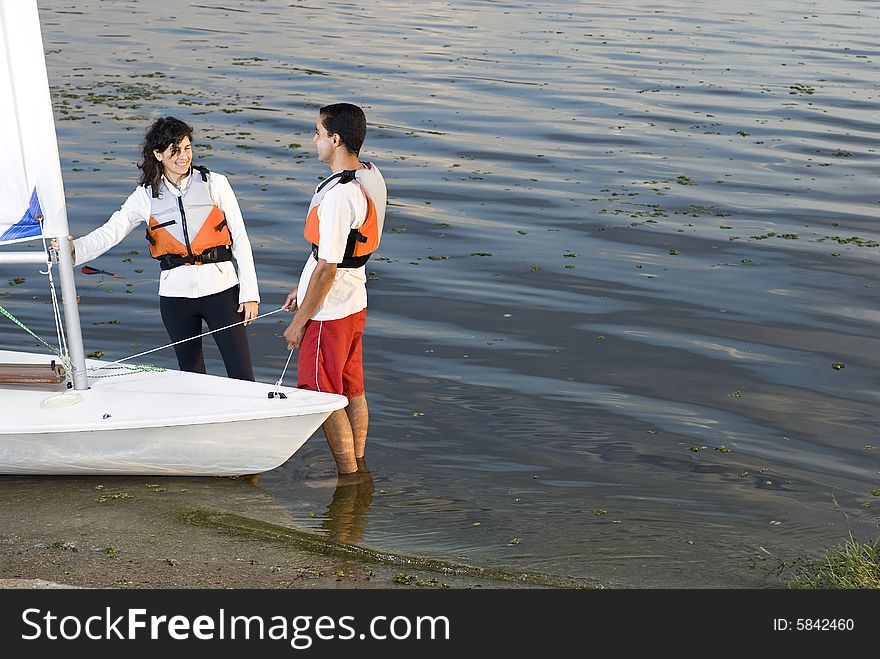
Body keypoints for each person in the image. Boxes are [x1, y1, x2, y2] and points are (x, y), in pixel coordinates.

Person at [70, 116, 260, 380]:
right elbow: (109, 233)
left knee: (242, 375)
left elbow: (240, 238)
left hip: (222, 291)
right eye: (175, 150)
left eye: (187, 148)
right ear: (158, 154)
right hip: (175, 297)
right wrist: (72, 252)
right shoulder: (145, 196)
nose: (184, 156)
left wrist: (249, 293)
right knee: (192, 376)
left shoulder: (215, 184)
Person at [283, 103, 387, 475]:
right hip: (355, 301)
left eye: (318, 132)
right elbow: (336, 253)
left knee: (322, 395)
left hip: (330, 311)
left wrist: (299, 321)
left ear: (336, 139)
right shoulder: (370, 175)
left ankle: (348, 480)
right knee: (352, 387)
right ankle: (358, 468)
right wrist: (301, 287)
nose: (314, 139)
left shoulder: (339, 196)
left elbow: (327, 268)